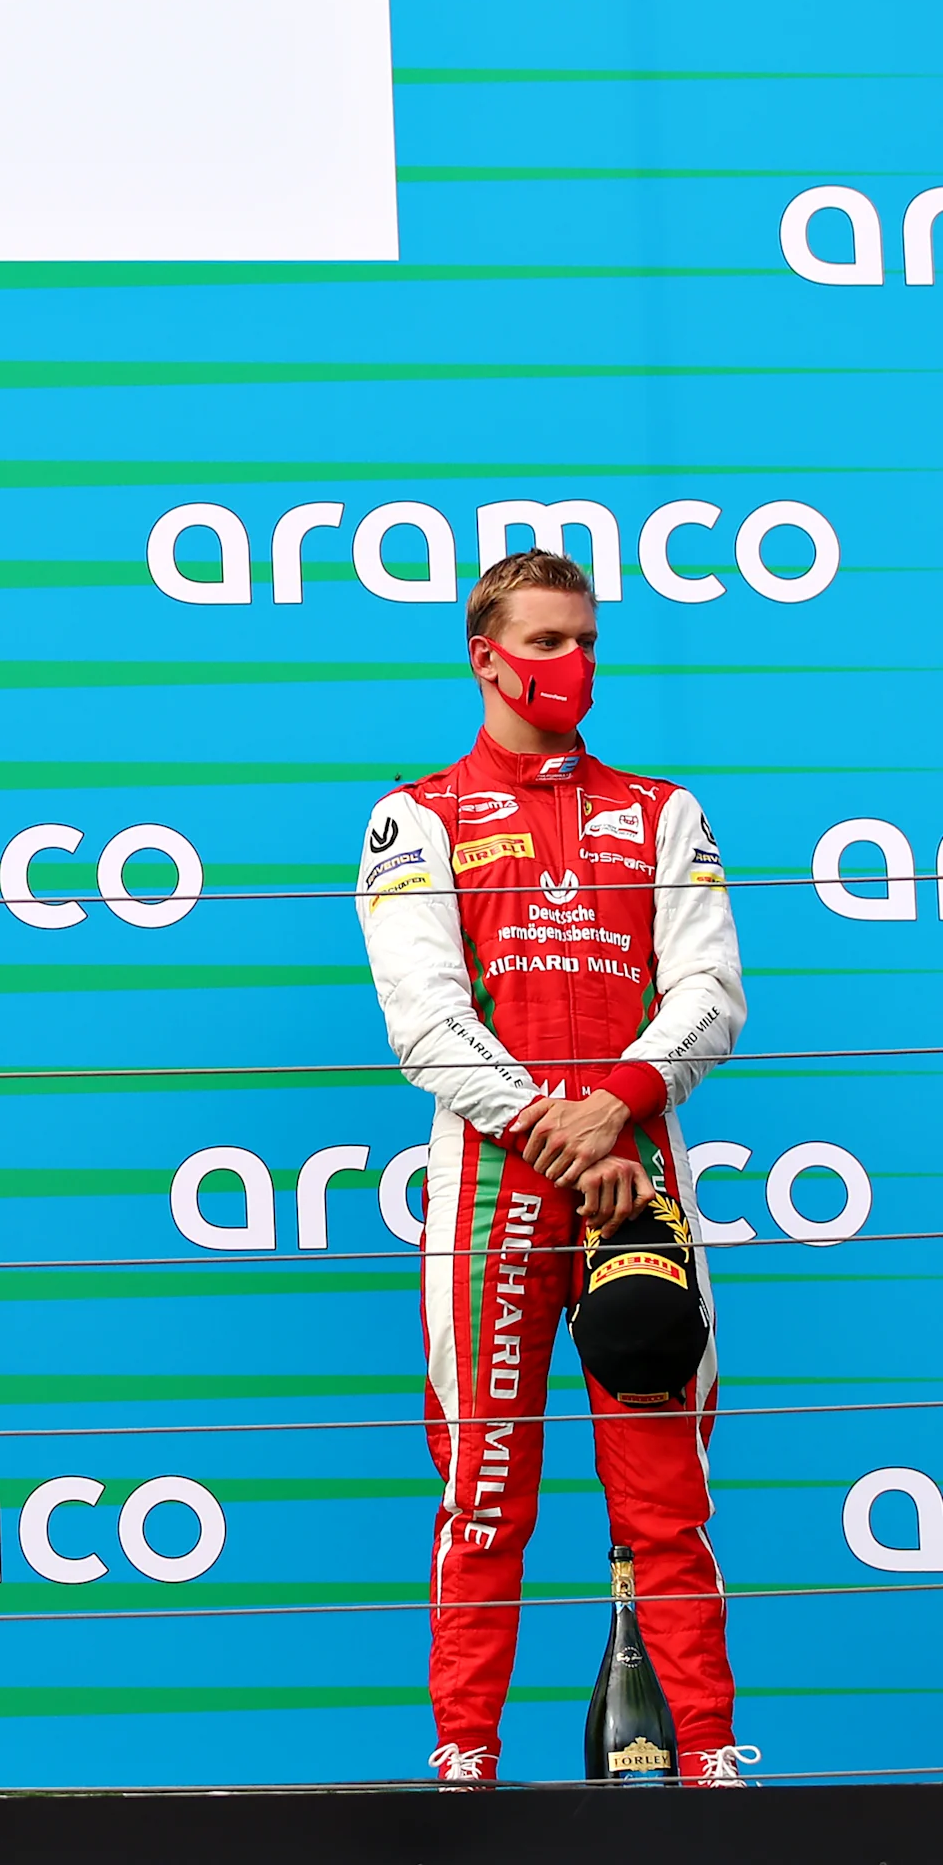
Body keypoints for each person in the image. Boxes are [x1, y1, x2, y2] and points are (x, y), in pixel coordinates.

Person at [353, 547, 753, 1788]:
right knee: (482, 1487)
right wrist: (561, 1126)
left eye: (583, 640)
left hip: (636, 1177)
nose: (569, 664)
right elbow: (422, 1021)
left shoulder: (662, 811)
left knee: (662, 1494)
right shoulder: (412, 815)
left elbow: (709, 992)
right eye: (542, 641)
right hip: (494, 1184)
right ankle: (464, 1756)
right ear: (484, 653)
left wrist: (616, 1109)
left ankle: (704, 1756)